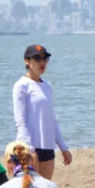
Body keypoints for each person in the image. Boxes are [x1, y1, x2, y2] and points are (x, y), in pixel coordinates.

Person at [13, 44, 71, 180]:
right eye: (37, 59)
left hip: (47, 147)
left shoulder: (47, 86)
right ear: (27, 61)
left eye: (45, 59)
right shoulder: (21, 85)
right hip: (29, 147)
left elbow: (52, 119)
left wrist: (63, 147)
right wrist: (29, 148)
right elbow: (20, 120)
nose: (42, 62)